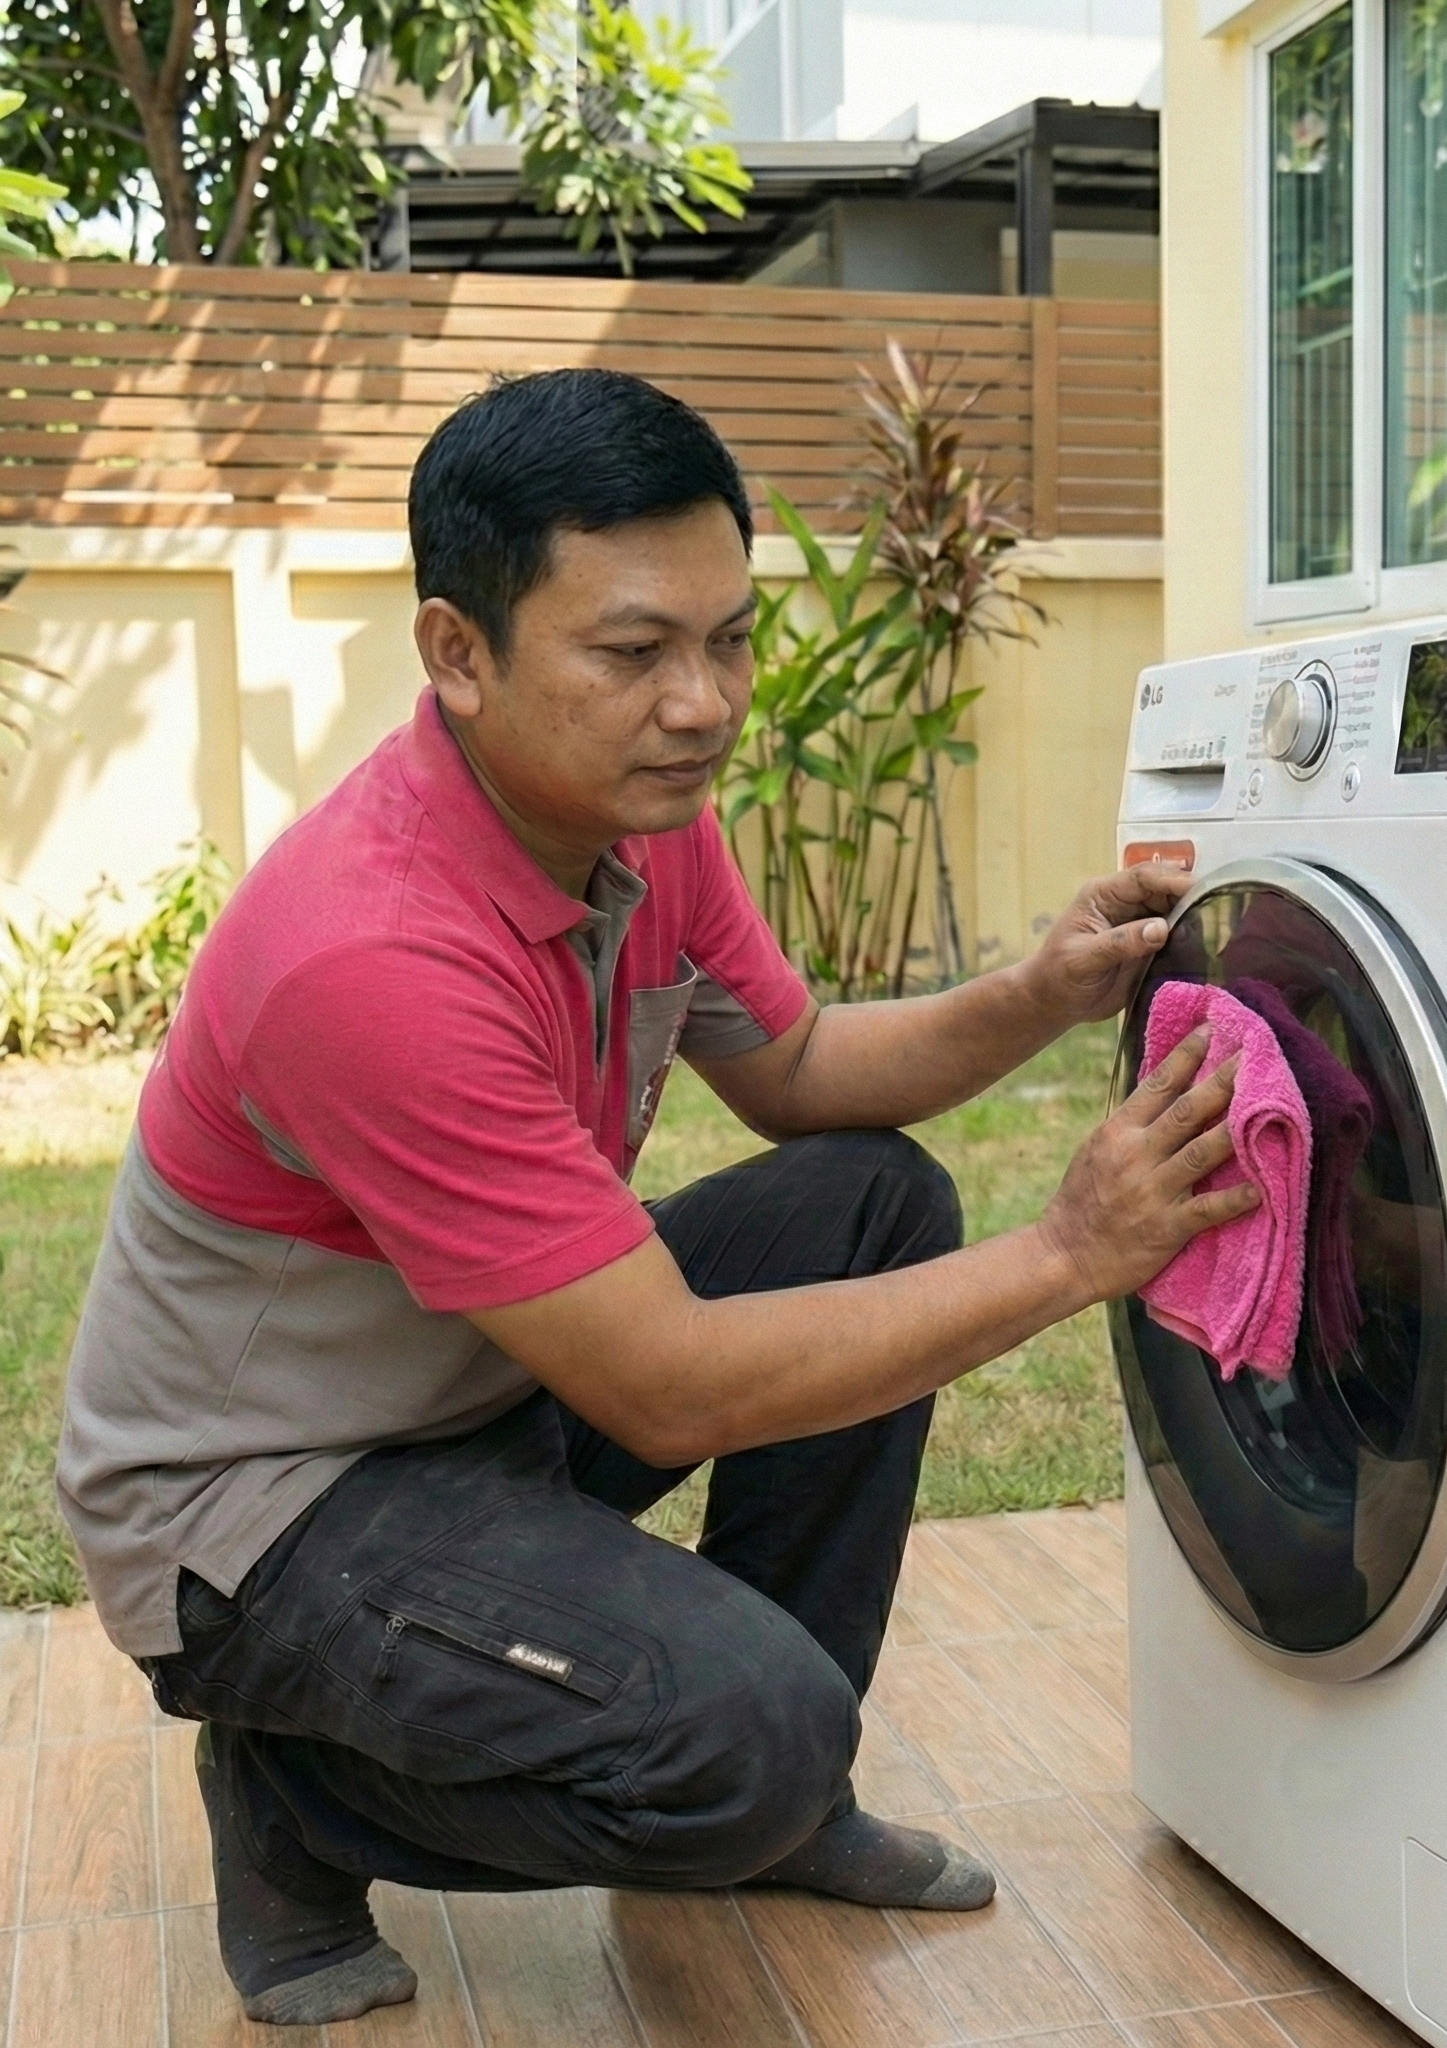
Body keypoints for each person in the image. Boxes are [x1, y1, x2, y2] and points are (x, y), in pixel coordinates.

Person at [54, 368, 1254, 2028]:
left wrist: (1039, 993)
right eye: (632, 652)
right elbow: (667, 1388)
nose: (703, 704)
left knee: (868, 1199)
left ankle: (782, 1804)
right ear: (458, 654)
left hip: (478, 1391)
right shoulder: (369, 956)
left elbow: (802, 1069)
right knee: (744, 1741)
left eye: (729, 640)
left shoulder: (631, 815)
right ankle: (297, 1790)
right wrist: (1070, 1252)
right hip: (262, 1512)